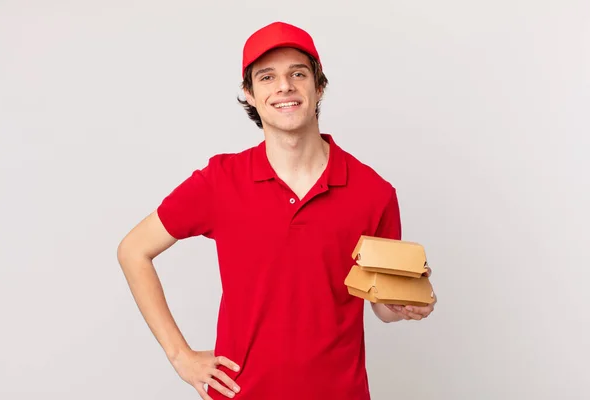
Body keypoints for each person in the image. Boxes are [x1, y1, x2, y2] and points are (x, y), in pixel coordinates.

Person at [117, 21, 436, 400]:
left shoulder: (373, 192)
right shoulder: (220, 181)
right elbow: (133, 250)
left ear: (319, 87)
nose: (284, 86)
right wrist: (180, 356)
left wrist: (401, 304)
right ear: (249, 94)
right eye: (266, 77)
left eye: (297, 73)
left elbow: (379, 304)